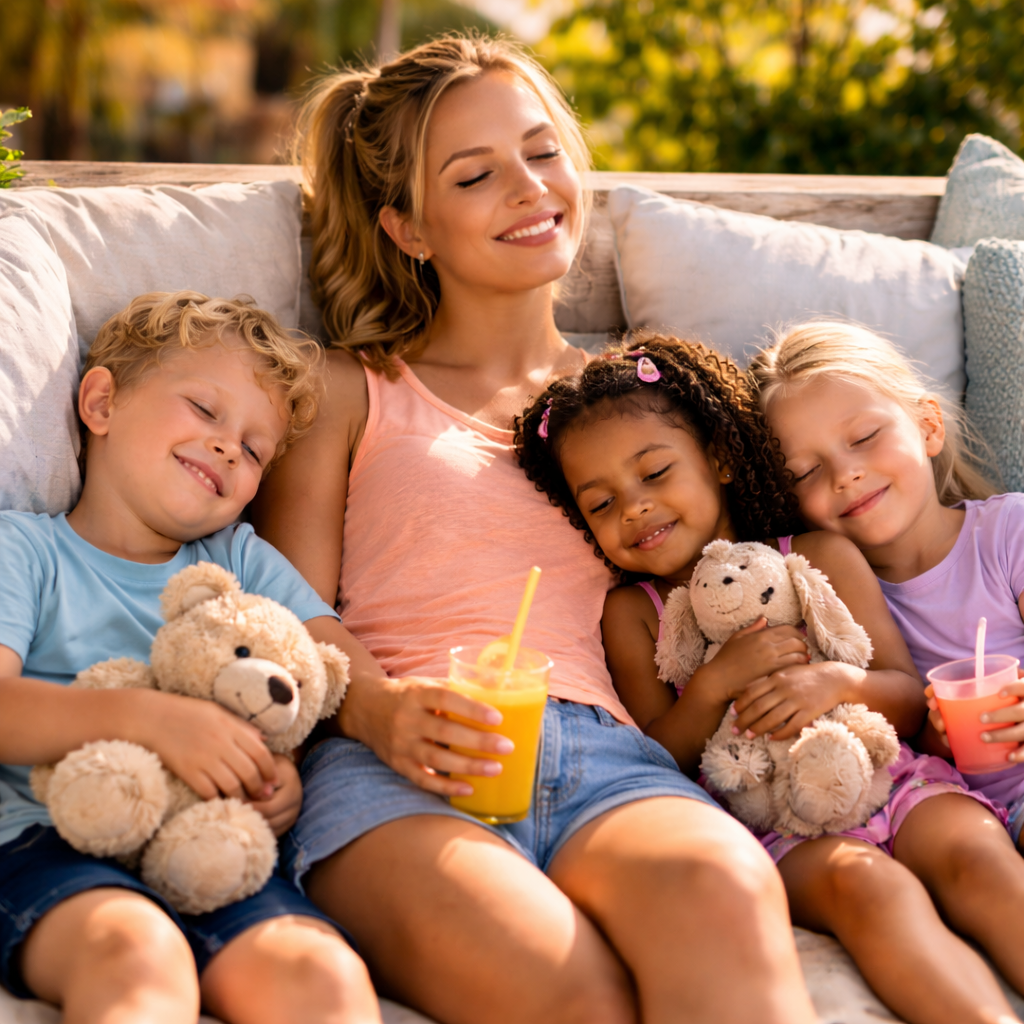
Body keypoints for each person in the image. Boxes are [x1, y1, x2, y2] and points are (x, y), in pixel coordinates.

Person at [253, 33, 818, 1024]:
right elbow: (284, 609)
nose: (527, 187)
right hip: (394, 766)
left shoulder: (648, 393)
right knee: (579, 998)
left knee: (725, 891)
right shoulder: (347, 387)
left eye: (541, 150)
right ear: (408, 228)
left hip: (608, 756)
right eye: (475, 175)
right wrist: (380, 710)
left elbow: (772, 557)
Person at [516, 332, 1023, 1024]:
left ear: (720, 459)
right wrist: (714, 683)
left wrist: (835, 683)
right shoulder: (632, 615)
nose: (634, 507)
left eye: (656, 473)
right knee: (869, 894)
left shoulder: (818, 555)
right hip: (780, 825)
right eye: (601, 505)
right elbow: (659, 760)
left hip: (900, 778)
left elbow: (906, 697)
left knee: (979, 860)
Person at [0, 292, 381, 1024]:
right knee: (138, 953)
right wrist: (150, 721)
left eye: (255, 449)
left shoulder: (240, 559)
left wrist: (284, 774)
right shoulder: (25, 550)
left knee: (321, 973)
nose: (228, 447)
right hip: (45, 841)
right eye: (205, 411)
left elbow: (325, 666)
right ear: (102, 401)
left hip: (212, 848)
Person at [752, 320, 1024, 1019]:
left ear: (927, 426)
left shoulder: (1007, 536)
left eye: (865, 437)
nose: (845, 473)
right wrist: (931, 735)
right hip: (978, 821)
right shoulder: (823, 608)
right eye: (807, 471)